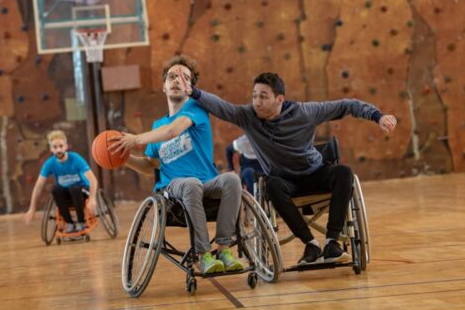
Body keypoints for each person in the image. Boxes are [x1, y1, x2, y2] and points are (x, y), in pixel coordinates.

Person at [180, 71, 397, 266]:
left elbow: (347, 105)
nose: (257, 101)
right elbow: (221, 107)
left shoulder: (305, 112)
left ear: (279, 99)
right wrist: (194, 92)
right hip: (284, 182)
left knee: (344, 172)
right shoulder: (248, 117)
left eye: (263, 96)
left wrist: (378, 116)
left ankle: (332, 242)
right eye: (255, 95)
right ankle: (310, 244)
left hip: (314, 173)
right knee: (270, 184)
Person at [109, 54, 244, 275]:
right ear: (163, 86)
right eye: (172, 76)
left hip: (206, 183)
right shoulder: (157, 125)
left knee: (231, 178)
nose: (176, 81)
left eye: (183, 77)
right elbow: (151, 164)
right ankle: (204, 255)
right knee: (190, 183)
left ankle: (224, 248)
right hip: (173, 189)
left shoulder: (196, 109)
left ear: (190, 86)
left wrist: (136, 139)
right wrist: (124, 159)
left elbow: (174, 131)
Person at [24, 130, 98, 233]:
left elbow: (93, 180)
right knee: (55, 189)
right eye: (55, 147)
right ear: (51, 149)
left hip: (81, 191)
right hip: (65, 194)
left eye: (61, 146)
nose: (58, 149)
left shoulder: (76, 159)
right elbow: (38, 186)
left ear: (66, 146)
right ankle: (69, 223)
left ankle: (81, 222)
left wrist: (92, 198)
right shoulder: (49, 164)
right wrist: (32, 208)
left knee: (74, 188)